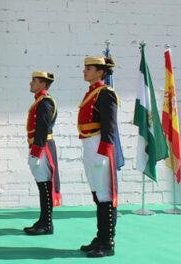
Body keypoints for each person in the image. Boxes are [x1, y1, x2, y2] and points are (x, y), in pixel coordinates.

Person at [78, 56, 118, 258]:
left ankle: (108, 241)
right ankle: (100, 237)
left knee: (105, 196)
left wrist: (103, 152)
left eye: (89, 68)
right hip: (89, 144)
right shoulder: (92, 92)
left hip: (99, 144)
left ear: (101, 72)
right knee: (97, 195)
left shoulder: (105, 93)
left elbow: (110, 126)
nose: (84, 71)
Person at [23, 71, 61, 236]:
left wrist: (36, 152)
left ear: (43, 84)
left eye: (34, 81)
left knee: (45, 186)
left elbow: (42, 129)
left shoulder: (44, 102)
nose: (30, 83)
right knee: (42, 186)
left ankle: (46, 224)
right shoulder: (39, 101)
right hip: (39, 146)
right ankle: (43, 220)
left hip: (43, 147)